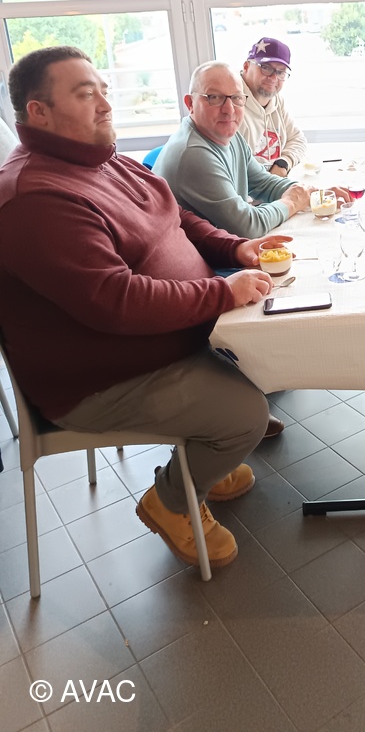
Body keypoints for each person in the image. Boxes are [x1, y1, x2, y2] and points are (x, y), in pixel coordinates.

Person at [0, 46, 293, 570]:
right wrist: (221, 294)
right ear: (38, 111)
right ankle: (171, 501)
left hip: (164, 338)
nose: (105, 104)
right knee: (247, 415)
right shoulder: (33, 197)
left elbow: (175, 215)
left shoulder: (99, 156)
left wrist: (234, 249)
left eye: (104, 90)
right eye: (86, 94)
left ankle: (205, 458)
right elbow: (117, 301)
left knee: (269, 354)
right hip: (102, 377)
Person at [154, 61, 350, 239]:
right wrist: (291, 203)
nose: (229, 109)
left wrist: (314, 195)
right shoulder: (194, 154)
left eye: (236, 98)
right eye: (214, 98)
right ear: (190, 104)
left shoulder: (228, 134)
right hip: (204, 262)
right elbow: (247, 226)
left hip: (226, 248)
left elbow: (263, 183)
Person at [239, 37, 307, 176]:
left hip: (274, 184)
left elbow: (297, 139)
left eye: (280, 72)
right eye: (265, 68)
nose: (273, 78)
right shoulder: (231, 103)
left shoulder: (276, 100)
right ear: (246, 67)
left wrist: (283, 163)